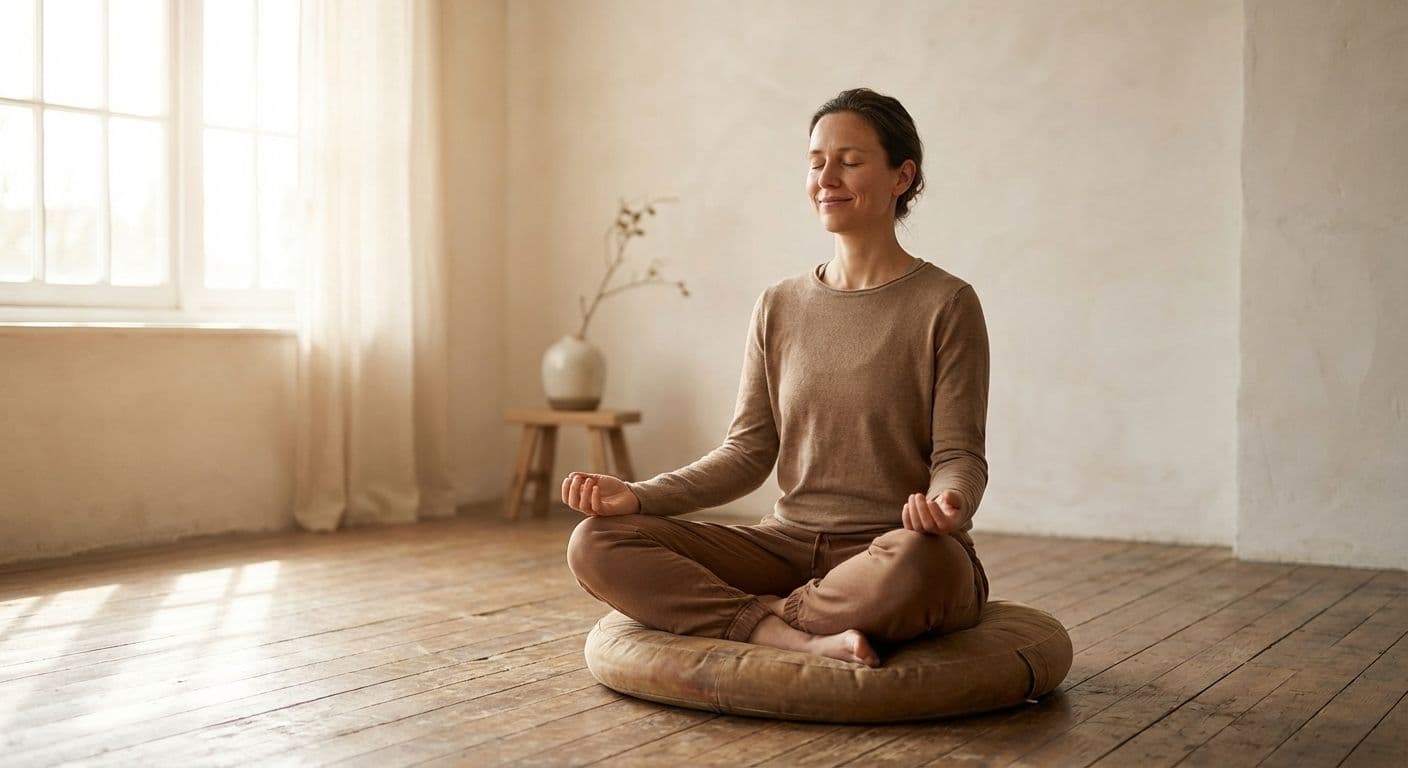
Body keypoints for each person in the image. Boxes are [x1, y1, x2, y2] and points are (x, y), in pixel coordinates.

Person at [562, 87, 990, 668]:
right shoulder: (779, 304)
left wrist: (947, 502)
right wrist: (639, 496)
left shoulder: (947, 303)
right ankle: (789, 633)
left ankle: (758, 615)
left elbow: (959, 454)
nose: (826, 178)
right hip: (785, 547)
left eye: (849, 161)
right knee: (596, 540)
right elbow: (747, 453)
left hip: (891, 549)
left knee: (928, 565)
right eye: (816, 163)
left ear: (902, 176)